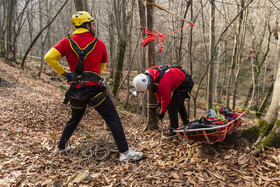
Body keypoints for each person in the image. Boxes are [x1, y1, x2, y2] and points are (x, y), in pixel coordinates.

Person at [44, 11, 143, 162]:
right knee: (113, 118)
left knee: (75, 118)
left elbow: (49, 57)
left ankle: (61, 147)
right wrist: (92, 74)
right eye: (93, 24)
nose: (95, 27)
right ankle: (125, 152)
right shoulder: (99, 44)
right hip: (94, 90)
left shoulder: (66, 42)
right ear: (87, 25)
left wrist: (65, 74)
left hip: (76, 90)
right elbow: (101, 66)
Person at [133, 65, 194, 136]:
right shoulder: (151, 73)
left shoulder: (162, 83)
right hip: (178, 79)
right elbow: (156, 90)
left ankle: (174, 131)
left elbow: (166, 99)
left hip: (185, 83)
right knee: (179, 103)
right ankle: (186, 123)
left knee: (172, 108)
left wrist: (162, 112)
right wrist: (159, 102)